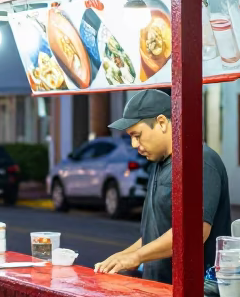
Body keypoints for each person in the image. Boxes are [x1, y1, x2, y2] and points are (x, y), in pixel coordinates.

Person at [94, 88, 231, 283]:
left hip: (195, 294)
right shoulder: (160, 163)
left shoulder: (199, 161)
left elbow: (195, 232)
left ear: (161, 122)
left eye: (137, 135)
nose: (134, 144)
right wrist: (124, 255)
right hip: (159, 288)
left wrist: (137, 256)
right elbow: (158, 233)